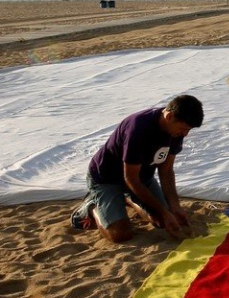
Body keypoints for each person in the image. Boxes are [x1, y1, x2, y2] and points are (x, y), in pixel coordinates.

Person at [70, 94, 203, 243]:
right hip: (107, 179)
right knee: (120, 234)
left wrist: (174, 206)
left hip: (142, 177)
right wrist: (163, 211)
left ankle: (127, 198)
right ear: (170, 116)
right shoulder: (138, 128)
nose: (185, 134)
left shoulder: (175, 130)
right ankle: (91, 207)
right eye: (184, 129)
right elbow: (130, 179)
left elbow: (166, 171)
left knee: (162, 221)